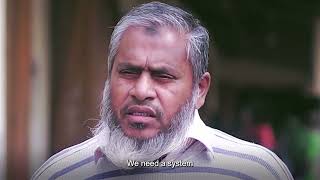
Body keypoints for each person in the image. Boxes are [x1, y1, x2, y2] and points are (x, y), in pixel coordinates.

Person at [32, 2, 293, 180]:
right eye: (128, 72)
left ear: (199, 90)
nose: (141, 90)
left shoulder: (256, 171)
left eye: (163, 76)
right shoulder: (60, 173)